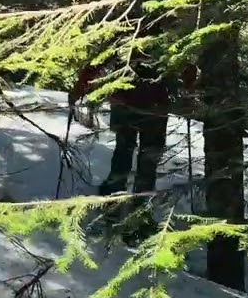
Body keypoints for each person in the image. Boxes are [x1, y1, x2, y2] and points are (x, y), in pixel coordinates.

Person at [69, 51, 196, 197]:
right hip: (151, 104)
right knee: (143, 155)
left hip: (132, 102)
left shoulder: (128, 30)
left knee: (126, 151)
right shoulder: (168, 31)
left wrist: (81, 84)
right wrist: (188, 89)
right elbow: (185, 60)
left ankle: (117, 196)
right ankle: (138, 199)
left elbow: (104, 55)